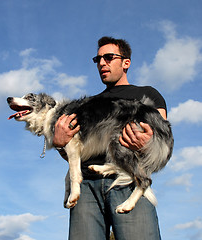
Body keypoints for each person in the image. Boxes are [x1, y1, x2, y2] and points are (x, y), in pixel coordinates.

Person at [53, 36, 167, 240]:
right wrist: (61, 144)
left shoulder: (147, 94)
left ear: (126, 63)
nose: (102, 63)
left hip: (126, 181)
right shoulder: (89, 104)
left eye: (108, 57)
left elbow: (161, 137)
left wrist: (147, 143)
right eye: (98, 60)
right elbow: (76, 152)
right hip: (85, 187)